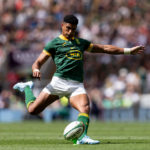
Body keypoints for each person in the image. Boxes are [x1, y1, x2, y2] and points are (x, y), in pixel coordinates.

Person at [13, 14, 145, 144]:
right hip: (58, 83)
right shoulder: (54, 43)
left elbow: (104, 48)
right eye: (68, 28)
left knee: (85, 108)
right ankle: (27, 88)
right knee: (32, 110)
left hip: (76, 85)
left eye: (73, 29)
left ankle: (82, 137)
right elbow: (37, 62)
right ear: (62, 26)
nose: (70, 32)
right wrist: (36, 69)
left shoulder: (81, 43)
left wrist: (128, 51)